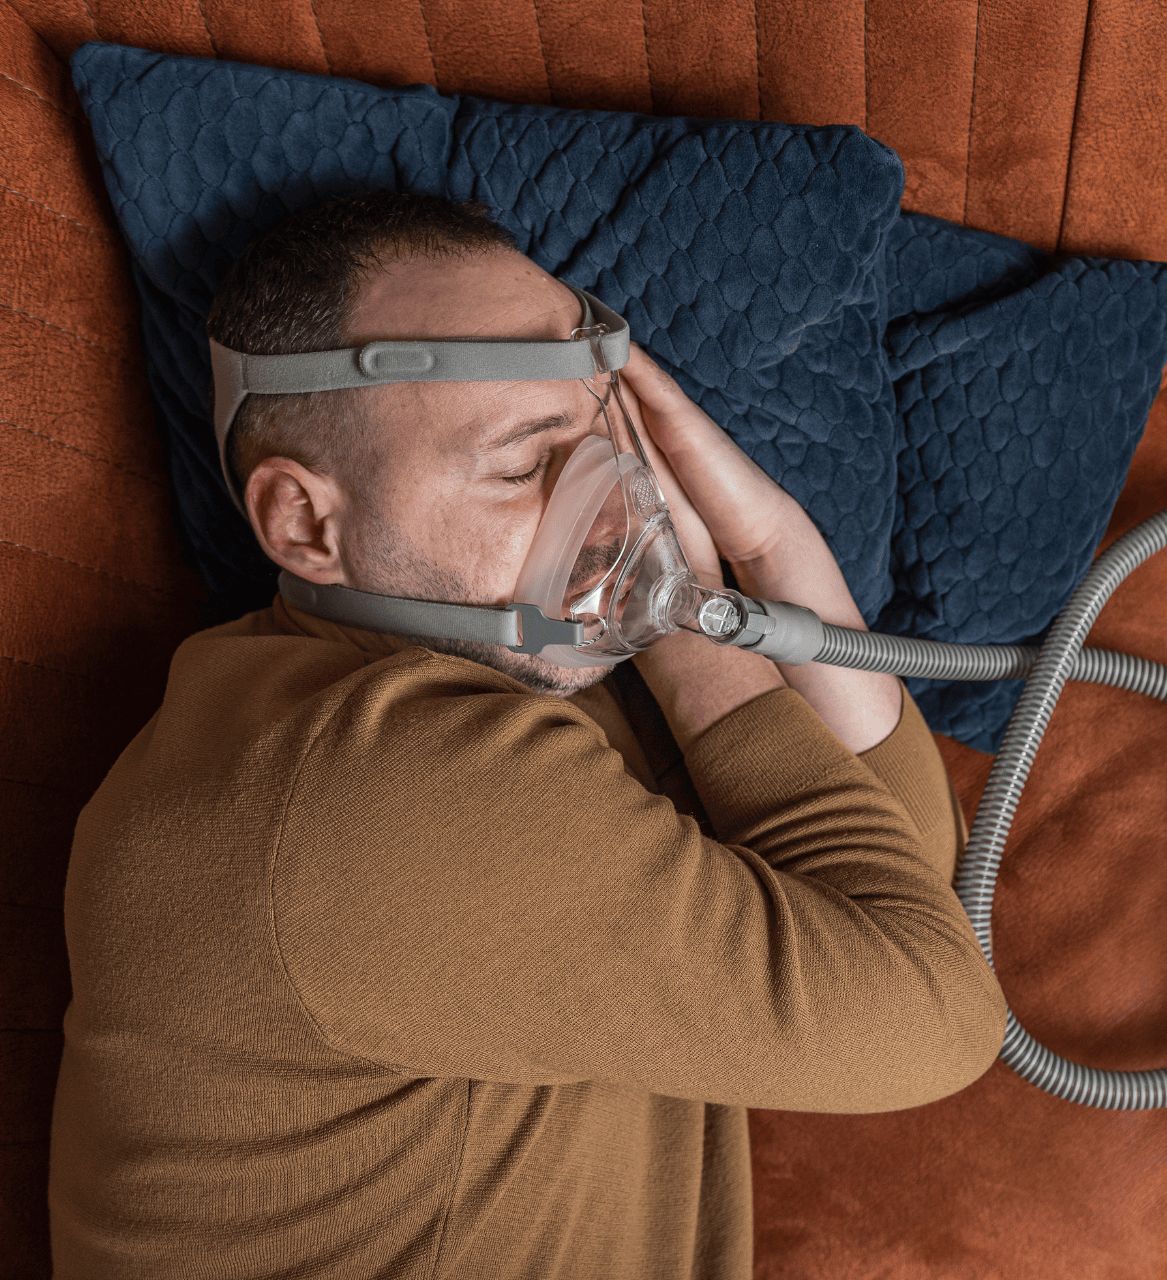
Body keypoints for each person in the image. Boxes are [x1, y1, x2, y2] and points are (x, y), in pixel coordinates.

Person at [49, 192, 1007, 1278]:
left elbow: (905, 891)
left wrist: (774, 543)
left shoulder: (540, 687)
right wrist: (689, 615)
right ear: (307, 524)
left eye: (610, 440)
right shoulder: (367, 787)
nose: (615, 511)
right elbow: (929, 1009)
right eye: (521, 466)